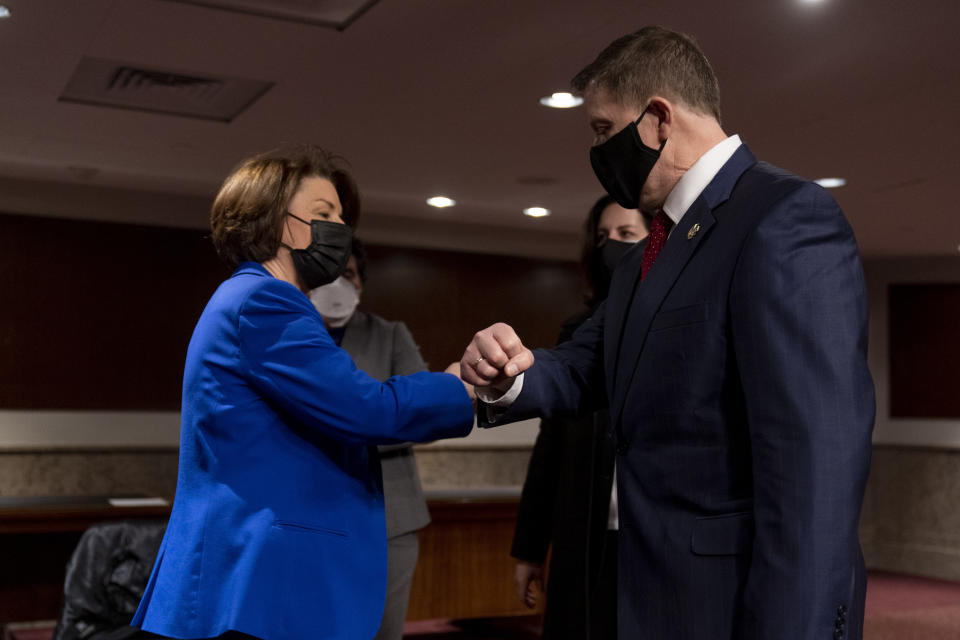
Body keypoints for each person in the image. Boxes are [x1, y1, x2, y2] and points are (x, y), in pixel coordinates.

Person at [459, 26, 875, 640]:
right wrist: (508, 372)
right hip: (641, 591)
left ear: (657, 118)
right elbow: (585, 364)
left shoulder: (785, 216)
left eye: (603, 130)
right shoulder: (652, 250)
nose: (598, 151)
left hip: (732, 605)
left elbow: (816, 467)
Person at [131, 144, 475, 640]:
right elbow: (364, 408)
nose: (342, 229)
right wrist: (459, 388)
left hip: (244, 569)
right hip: (257, 580)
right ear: (278, 222)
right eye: (325, 213)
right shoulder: (266, 301)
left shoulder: (244, 295)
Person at [511, 196, 648, 640]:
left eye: (626, 236)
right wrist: (530, 549)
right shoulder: (578, 332)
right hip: (583, 532)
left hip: (650, 536)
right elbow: (549, 448)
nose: (611, 248)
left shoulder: (676, 325)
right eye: (603, 237)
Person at [308, 238, 433, 640]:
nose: (337, 285)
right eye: (328, 275)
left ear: (360, 283)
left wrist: (351, 418)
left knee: (382, 631)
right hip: (311, 517)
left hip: (389, 519)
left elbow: (423, 412)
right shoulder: (293, 335)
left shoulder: (390, 335)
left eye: (347, 274)